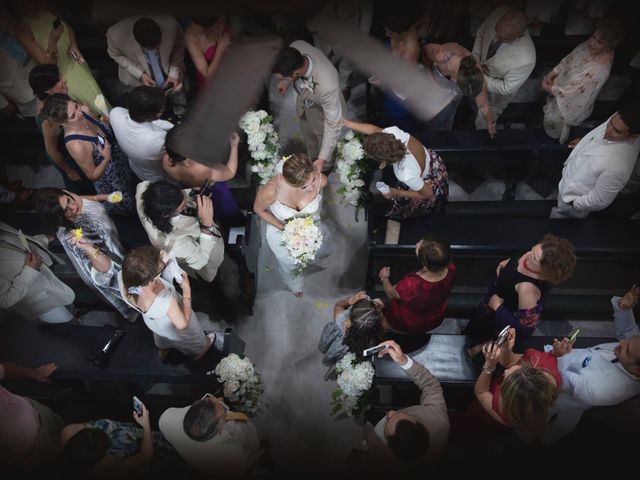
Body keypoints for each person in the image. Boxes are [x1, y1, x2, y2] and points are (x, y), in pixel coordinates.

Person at [541, 286, 640, 444]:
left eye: (626, 349)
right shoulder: (634, 351)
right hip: (570, 367)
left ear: (637, 370)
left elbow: (565, 382)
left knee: (551, 418)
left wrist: (558, 357)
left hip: (563, 394)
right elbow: (629, 332)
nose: (622, 342)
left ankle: (528, 438)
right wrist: (624, 309)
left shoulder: (607, 388)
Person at [34, 188, 137, 322]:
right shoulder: (74, 236)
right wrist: (89, 248)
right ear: (59, 217)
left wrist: (106, 197)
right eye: (66, 210)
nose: (74, 206)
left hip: (114, 245)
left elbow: (81, 198)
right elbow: (101, 272)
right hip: (107, 263)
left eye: (69, 200)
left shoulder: (65, 196)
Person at [465, 234, 576, 352]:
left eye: (534, 257)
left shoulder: (528, 289)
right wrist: (506, 264)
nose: (527, 254)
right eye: (532, 250)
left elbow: (525, 329)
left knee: (481, 341)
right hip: (490, 306)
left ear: (544, 270)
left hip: (496, 320)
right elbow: (517, 262)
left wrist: (498, 307)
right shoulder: (529, 257)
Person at [136, 180, 241, 304]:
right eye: (183, 206)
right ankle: (235, 303)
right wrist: (207, 225)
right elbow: (201, 261)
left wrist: (190, 192)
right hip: (205, 256)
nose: (187, 203)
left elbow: (142, 185)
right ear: (165, 215)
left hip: (201, 236)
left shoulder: (144, 190)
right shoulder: (175, 244)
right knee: (230, 272)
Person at [355, 340, 449, 469]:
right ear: (419, 423)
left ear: (387, 443)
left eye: (388, 420)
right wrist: (404, 361)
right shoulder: (440, 420)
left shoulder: (379, 459)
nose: (390, 411)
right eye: (401, 414)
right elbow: (432, 386)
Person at [42, 93, 137, 215]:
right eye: (73, 116)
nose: (80, 113)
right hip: (113, 179)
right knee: (132, 203)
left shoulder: (84, 110)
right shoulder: (75, 145)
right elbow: (92, 175)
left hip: (122, 160)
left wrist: (106, 122)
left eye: (76, 106)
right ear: (63, 123)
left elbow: (102, 128)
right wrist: (106, 158)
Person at [120, 246, 215, 359]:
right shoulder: (164, 299)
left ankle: (164, 348)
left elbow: (141, 267)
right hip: (173, 320)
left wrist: (159, 261)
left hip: (154, 322)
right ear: (152, 278)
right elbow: (183, 324)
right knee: (189, 336)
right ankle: (200, 350)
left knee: (162, 336)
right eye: (159, 267)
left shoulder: (126, 280)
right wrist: (186, 290)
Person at [13, 1, 108, 115]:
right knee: (90, 105)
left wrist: (73, 45)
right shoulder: (22, 29)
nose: (29, 5)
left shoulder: (45, 8)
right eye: (23, 4)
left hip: (75, 63)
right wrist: (53, 40)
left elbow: (67, 27)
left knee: (98, 96)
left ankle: (109, 122)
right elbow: (47, 65)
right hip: (63, 74)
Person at [253, 154, 328, 297]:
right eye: (305, 186)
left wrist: (308, 233)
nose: (313, 188)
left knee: (308, 256)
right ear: (290, 183)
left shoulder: (321, 180)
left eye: (313, 179)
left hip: (309, 230)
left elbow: (316, 185)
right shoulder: (271, 190)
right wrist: (283, 228)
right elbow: (258, 209)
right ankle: (294, 283)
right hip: (280, 232)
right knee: (288, 263)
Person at [343, 119, 448, 220]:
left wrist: (398, 193)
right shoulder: (393, 133)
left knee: (404, 207)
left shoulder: (405, 174)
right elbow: (375, 130)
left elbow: (428, 193)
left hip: (429, 184)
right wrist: (346, 122)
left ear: (382, 161)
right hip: (433, 161)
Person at [550, 103, 640, 218]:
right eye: (610, 123)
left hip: (573, 199)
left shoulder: (619, 167)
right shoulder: (618, 120)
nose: (608, 131)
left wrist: (574, 203)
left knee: (560, 223)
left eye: (617, 131)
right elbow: (599, 132)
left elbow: (599, 200)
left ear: (633, 136)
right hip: (571, 176)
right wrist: (583, 142)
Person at [542, 17, 624, 143]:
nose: (592, 43)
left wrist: (549, 88)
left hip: (569, 102)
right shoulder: (593, 45)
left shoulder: (597, 72)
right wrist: (553, 73)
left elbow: (572, 95)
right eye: (593, 37)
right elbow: (570, 58)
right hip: (560, 85)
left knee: (554, 125)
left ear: (608, 46)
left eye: (599, 42)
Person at [474, 327, 562, 436]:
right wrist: (507, 348)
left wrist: (489, 366)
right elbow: (507, 363)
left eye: (505, 380)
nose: (505, 371)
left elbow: (481, 392)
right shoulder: (544, 364)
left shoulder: (504, 412)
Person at [273, 41, 345, 173]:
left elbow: (333, 124)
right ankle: (312, 157)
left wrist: (323, 159)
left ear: (295, 74)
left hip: (323, 109)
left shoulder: (327, 85)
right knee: (309, 138)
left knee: (322, 139)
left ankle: (324, 170)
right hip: (304, 102)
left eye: (283, 77)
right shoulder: (296, 46)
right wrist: (285, 81)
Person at [28, 64, 95, 195]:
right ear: (48, 90)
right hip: (67, 154)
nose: (64, 80)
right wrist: (69, 171)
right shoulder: (49, 118)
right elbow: (52, 151)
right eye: (58, 80)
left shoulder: (60, 97)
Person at [60, 399, 175, 475]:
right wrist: (146, 425)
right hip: (147, 444)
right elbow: (145, 457)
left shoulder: (68, 431)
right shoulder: (107, 470)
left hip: (129, 429)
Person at [159, 393, 260, 477]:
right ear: (220, 429)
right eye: (225, 410)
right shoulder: (235, 459)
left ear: (195, 403)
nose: (220, 398)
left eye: (208, 398)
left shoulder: (166, 418)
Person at [162, 127, 244, 227]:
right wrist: (234, 146)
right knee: (226, 212)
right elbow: (230, 172)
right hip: (211, 189)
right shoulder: (205, 169)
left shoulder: (166, 161)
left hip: (189, 188)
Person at [106, 15, 186, 115]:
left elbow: (180, 44)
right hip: (137, 76)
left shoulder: (171, 24)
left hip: (168, 68)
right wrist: (140, 74)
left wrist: (173, 72)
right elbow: (116, 55)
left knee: (178, 91)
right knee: (146, 105)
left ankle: (181, 113)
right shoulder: (114, 34)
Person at [472, 6, 536, 130]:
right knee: (475, 102)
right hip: (479, 70)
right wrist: (475, 61)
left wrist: (481, 78)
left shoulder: (526, 59)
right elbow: (481, 33)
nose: (497, 38)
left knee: (486, 116)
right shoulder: (499, 12)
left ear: (520, 35)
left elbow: (507, 88)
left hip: (497, 92)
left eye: (504, 38)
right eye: (497, 32)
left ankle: (480, 133)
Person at [379, 234, 456, 335]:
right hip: (433, 317)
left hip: (407, 321)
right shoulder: (451, 269)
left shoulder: (412, 285)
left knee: (385, 325)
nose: (417, 244)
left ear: (425, 262)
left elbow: (391, 294)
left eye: (419, 247)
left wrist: (384, 278)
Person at [0, 221, 75, 323]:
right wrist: (30, 270)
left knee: (70, 303)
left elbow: (13, 241)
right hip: (40, 301)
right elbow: (5, 300)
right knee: (70, 327)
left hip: (48, 272)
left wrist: (42, 240)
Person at [0, 361, 64, 468]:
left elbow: (5, 369)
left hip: (37, 411)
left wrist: (36, 373)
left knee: (65, 427)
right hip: (34, 454)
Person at [422, 42, 495, 135]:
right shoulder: (442, 55)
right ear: (455, 79)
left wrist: (490, 125)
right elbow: (425, 51)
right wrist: (430, 77)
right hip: (434, 84)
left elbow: (483, 105)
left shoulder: (475, 75)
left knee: (448, 116)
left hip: (451, 95)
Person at [110, 86, 174, 182]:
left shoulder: (115, 114)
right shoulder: (157, 140)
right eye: (161, 109)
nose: (163, 109)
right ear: (152, 115)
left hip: (136, 167)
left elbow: (147, 121)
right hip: (158, 177)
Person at [319, 291, 386, 377]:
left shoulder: (341, 320)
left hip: (335, 350)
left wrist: (351, 300)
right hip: (351, 361)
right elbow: (383, 325)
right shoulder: (376, 336)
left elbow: (338, 305)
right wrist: (380, 311)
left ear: (351, 315)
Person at [185, 15, 231, 92]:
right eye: (215, 23)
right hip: (212, 78)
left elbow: (226, 29)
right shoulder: (191, 37)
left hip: (227, 68)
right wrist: (220, 49)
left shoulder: (217, 18)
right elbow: (207, 75)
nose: (217, 25)